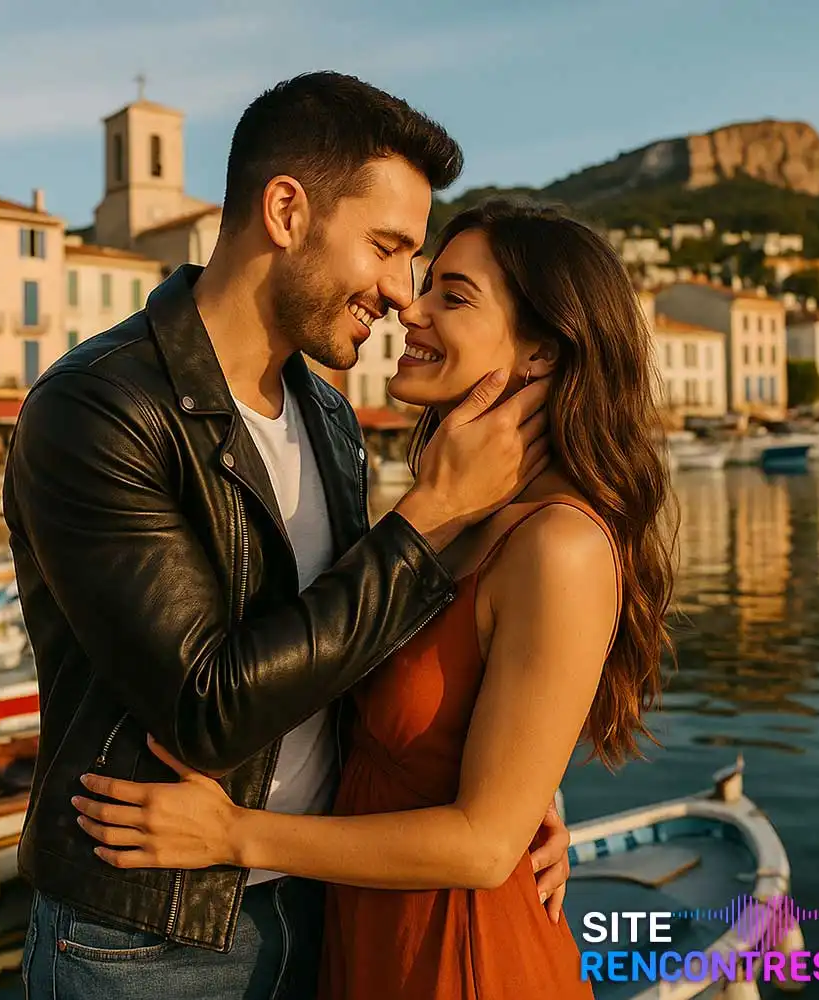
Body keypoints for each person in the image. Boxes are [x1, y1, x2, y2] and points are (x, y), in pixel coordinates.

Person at [4, 74, 571, 1000]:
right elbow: (206, 707)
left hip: (323, 898)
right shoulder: (100, 409)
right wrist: (424, 519)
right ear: (285, 210)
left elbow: (345, 648)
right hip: (149, 933)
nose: (400, 294)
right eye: (387, 248)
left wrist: (503, 778)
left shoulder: (328, 415)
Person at [74, 199, 678, 998]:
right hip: (368, 935)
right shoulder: (449, 520)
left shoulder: (559, 546)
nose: (410, 308)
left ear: (541, 353)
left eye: (452, 297)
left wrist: (233, 834)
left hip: (460, 955)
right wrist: (530, 783)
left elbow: (483, 848)